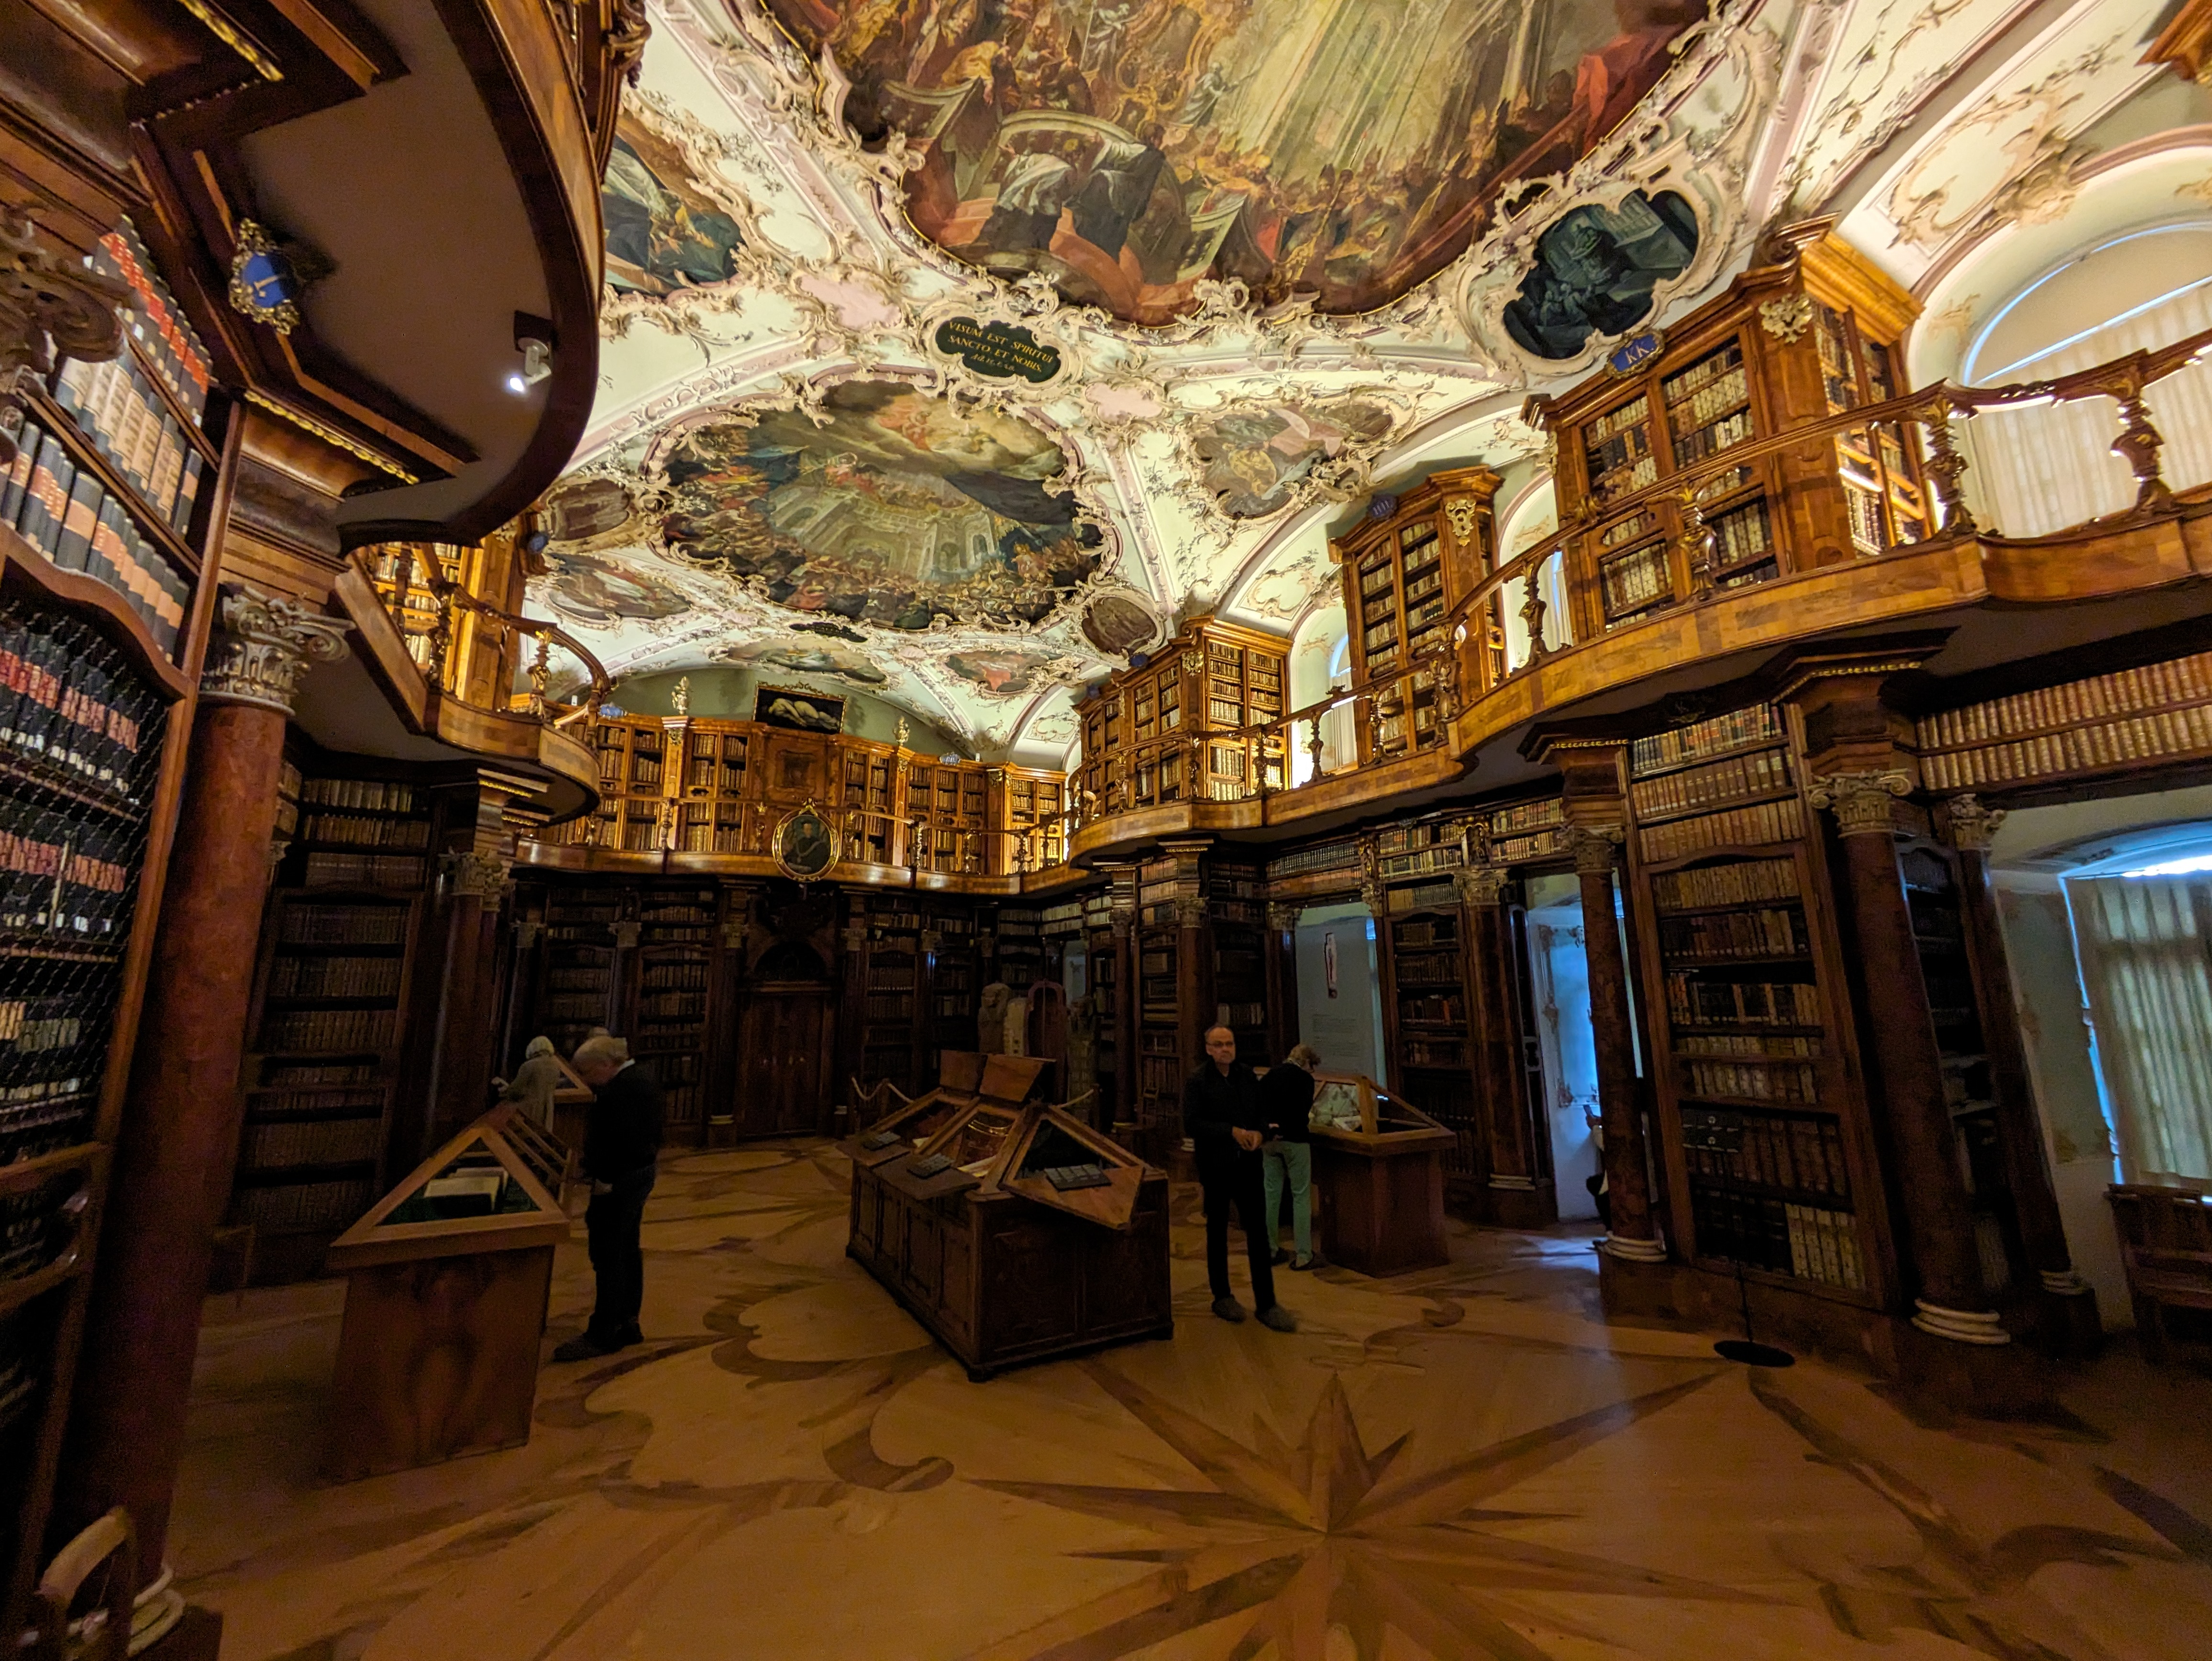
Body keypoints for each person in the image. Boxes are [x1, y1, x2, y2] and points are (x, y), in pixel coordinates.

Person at [551, 1036, 663, 1362]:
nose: (585, 1080)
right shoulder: (638, 1080)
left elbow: (622, 1140)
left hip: (621, 1179)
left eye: (586, 1071)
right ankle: (627, 1322)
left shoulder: (625, 1089)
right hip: (634, 1174)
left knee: (610, 1254)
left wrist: (602, 1177)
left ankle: (604, 1332)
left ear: (605, 1064)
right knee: (627, 1249)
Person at [1183, 1026, 1295, 1331]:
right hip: (1216, 1166)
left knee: (1258, 1232)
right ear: (1208, 1049)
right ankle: (1222, 1296)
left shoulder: (1247, 1076)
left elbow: (1261, 1112)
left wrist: (1260, 1132)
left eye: (1230, 1044)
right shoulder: (1197, 1081)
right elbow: (1192, 1124)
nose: (1225, 1049)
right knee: (1217, 1230)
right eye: (1218, 1045)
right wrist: (1230, 1132)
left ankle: (1267, 1303)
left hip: (1248, 1164)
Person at [1259, 1042, 1320, 1271]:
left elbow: (1259, 1106)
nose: (1311, 1072)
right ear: (1306, 1062)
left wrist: (1271, 1129)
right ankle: (1304, 1254)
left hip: (1270, 1142)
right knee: (1301, 1196)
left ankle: (1270, 1249)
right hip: (1296, 1140)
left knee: (1271, 1195)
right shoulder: (1304, 1080)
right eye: (1312, 1067)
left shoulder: (1270, 1076)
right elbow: (1301, 1111)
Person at [494, 1035, 563, 1130]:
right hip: (547, 1113)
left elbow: (516, 1092)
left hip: (529, 1113)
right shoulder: (555, 1067)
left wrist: (504, 1089)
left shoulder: (529, 1066)